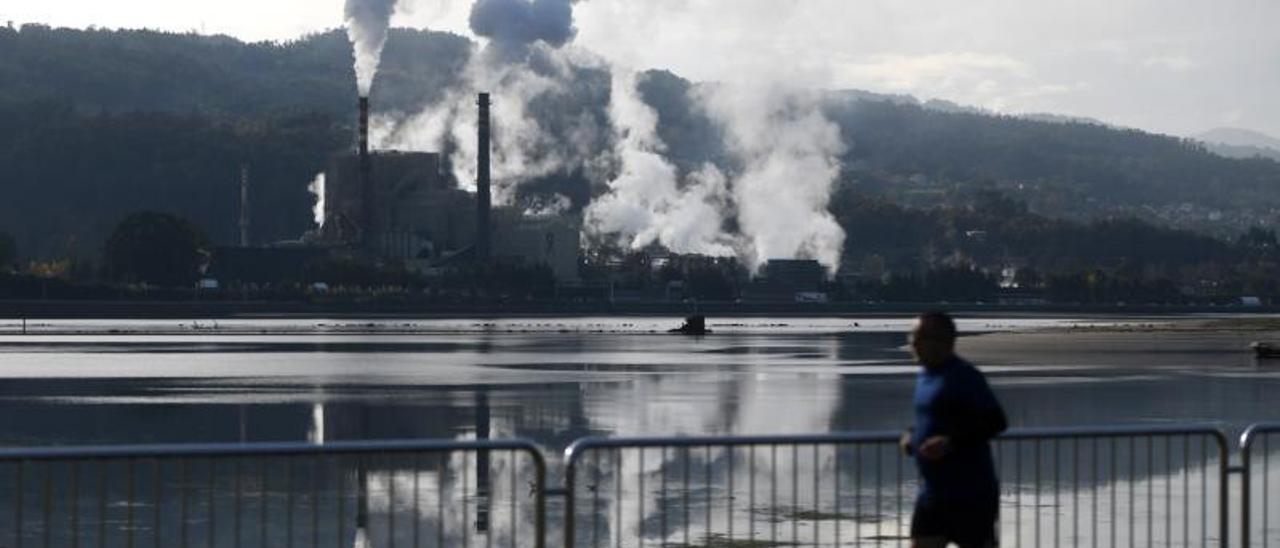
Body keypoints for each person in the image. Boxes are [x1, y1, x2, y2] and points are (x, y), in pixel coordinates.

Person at [899, 311, 1008, 548]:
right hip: (932, 495)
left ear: (943, 341)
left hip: (971, 497)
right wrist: (913, 434)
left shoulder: (965, 377)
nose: (912, 343)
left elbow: (995, 421)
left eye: (919, 337)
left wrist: (950, 442)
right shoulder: (925, 375)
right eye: (913, 337)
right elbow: (933, 417)